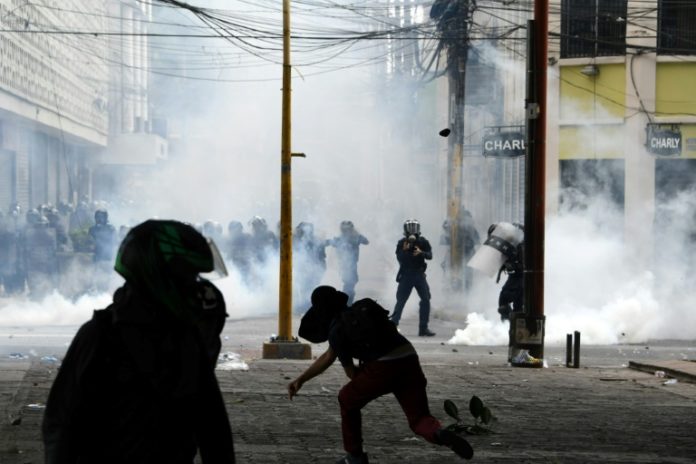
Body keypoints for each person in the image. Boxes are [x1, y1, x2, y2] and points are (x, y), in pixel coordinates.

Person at [42, 219, 236, 464]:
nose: (194, 286)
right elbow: (62, 424)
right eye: (187, 276)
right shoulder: (100, 336)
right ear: (157, 274)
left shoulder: (186, 336)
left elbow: (212, 425)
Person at [287, 286, 473, 464]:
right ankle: (438, 433)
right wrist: (301, 379)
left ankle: (355, 457)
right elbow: (329, 355)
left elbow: (350, 373)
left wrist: (371, 375)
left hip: (382, 367)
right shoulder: (364, 309)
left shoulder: (337, 331)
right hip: (409, 357)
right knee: (418, 418)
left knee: (347, 398)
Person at [390, 219, 435, 336]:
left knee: (425, 299)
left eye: (414, 228)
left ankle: (423, 328)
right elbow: (399, 259)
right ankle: (392, 326)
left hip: (419, 275)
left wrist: (422, 253)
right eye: (409, 228)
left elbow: (430, 256)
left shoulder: (423, 242)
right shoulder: (402, 243)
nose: (412, 231)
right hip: (406, 275)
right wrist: (405, 251)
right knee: (401, 301)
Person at [328, 220, 369, 304]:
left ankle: (346, 302)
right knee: (349, 284)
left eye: (348, 229)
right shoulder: (339, 239)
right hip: (344, 265)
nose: (347, 231)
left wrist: (356, 235)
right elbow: (331, 243)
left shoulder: (355, 237)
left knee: (351, 283)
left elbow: (366, 241)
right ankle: (345, 303)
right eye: (345, 229)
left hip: (352, 264)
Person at [293, 221, 327, 311]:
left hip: (313, 268)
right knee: (303, 286)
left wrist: (317, 269)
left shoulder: (315, 241)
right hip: (303, 267)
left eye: (301, 231)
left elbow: (320, 257)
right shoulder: (296, 240)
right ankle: (304, 305)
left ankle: (308, 305)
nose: (299, 232)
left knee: (308, 287)